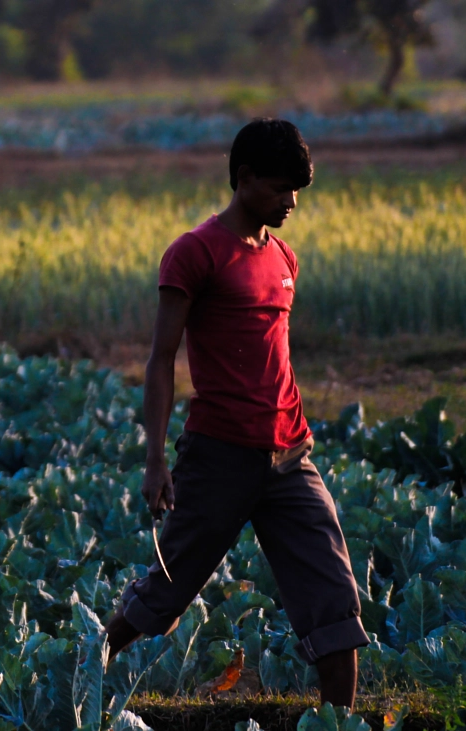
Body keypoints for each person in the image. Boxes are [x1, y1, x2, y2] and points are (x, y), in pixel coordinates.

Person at [103, 119, 369, 708]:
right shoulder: (195, 253)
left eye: (297, 190)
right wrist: (154, 461)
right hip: (219, 455)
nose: (291, 202)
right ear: (244, 179)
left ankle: (339, 723)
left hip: (290, 454)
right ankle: (83, 670)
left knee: (332, 595)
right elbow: (160, 361)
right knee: (165, 596)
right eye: (280, 188)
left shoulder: (284, 258)